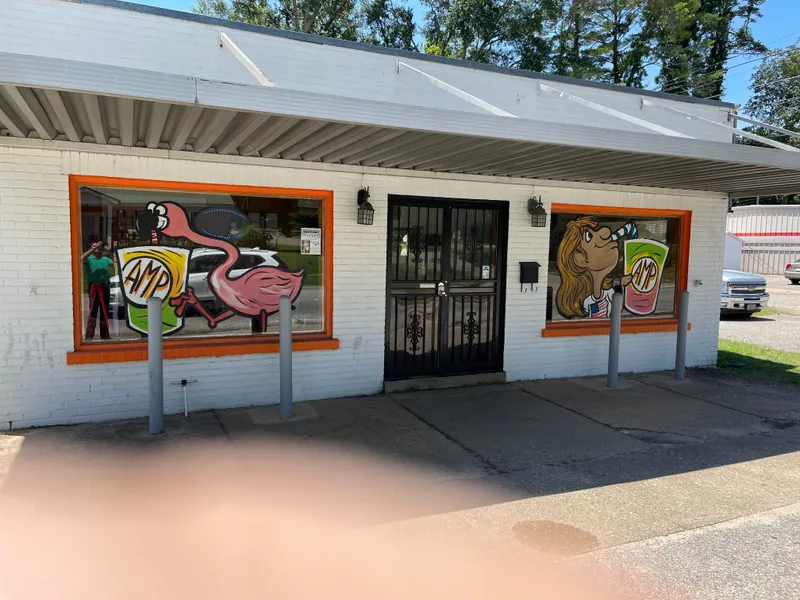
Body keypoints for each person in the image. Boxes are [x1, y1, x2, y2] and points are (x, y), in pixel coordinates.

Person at [555, 217, 633, 319]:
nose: (606, 231)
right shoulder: (588, 302)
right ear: (580, 259)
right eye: (589, 236)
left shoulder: (609, 293)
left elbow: (617, 310)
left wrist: (622, 285)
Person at [81, 241, 114, 340]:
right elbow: (82, 258)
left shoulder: (105, 259)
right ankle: (89, 335)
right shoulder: (89, 259)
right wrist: (92, 249)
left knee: (104, 310)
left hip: (105, 286)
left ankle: (105, 335)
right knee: (93, 311)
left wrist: (105, 250)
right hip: (94, 286)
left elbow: (112, 262)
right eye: (94, 245)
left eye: (98, 246)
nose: (97, 247)